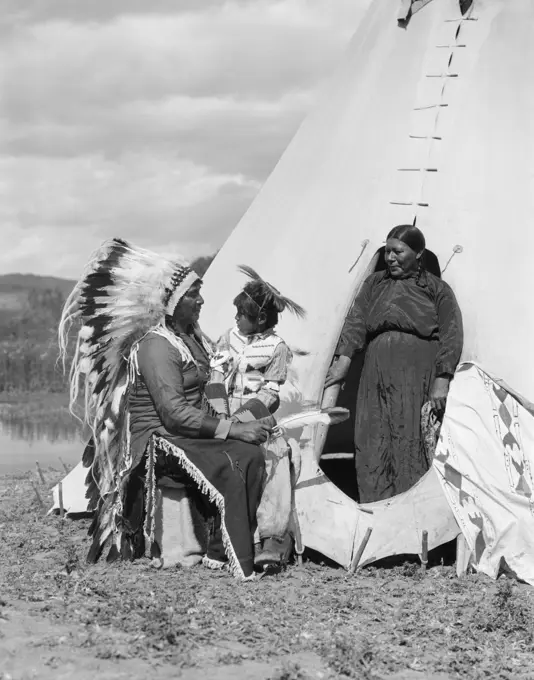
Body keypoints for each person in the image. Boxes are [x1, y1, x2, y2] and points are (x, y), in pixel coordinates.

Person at [58, 238, 270, 581]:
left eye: (199, 292)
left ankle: (221, 550)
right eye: (193, 294)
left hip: (184, 430)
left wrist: (238, 417)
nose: (200, 300)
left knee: (252, 452)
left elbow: (210, 387)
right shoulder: (157, 346)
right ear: (171, 303)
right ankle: (235, 556)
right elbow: (173, 413)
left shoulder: (190, 338)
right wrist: (232, 430)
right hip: (159, 438)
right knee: (238, 457)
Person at [325, 225, 463, 503]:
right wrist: (343, 361)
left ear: (419, 253)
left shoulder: (436, 288)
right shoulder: (375, 283)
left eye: (398, 252)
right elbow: (356, 321)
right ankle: (376, 513)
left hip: (415, 372)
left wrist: (442, 377)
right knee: (372, 436)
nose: (390, 258)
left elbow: (451, 331)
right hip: (375, 369)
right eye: (387, 251)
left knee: (409, 438)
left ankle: (410, 517)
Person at [205, 265, 305, 567]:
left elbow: (270, 393)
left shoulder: (276, 348)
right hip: (221, 412)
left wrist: (243, 419)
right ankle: (216, 535)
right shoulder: (226, 339)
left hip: (256, 417)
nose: (236, 317)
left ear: (260, 318)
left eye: (242, 314)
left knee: (276, 454)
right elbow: (215, 376)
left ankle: (271, 537)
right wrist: (223, 416)